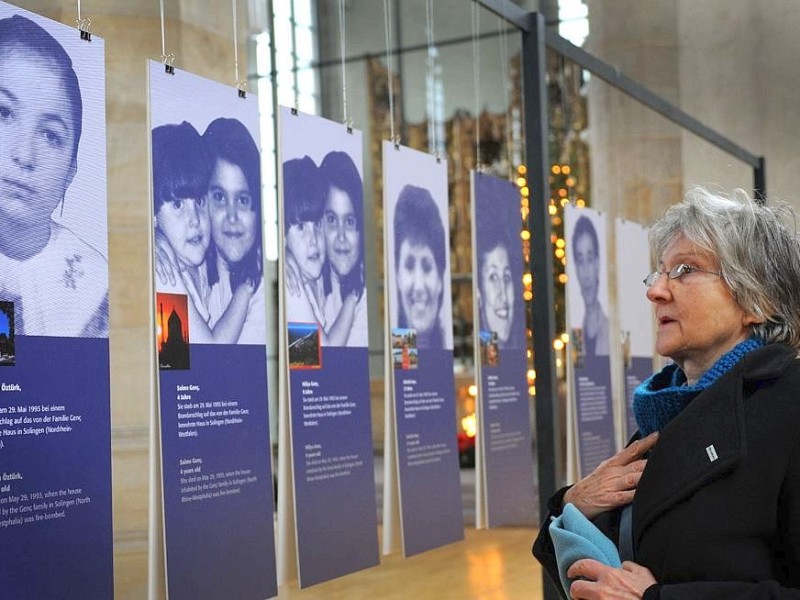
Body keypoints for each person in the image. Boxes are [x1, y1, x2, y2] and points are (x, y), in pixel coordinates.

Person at [533, 187, 800, 599]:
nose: (655, 290)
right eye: (659, 272)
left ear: (756, 301)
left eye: (684, 270)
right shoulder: (669, 410)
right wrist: (575, 505)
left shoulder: (789, 405)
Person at [0, 14, 107, 337]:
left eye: (50, 135)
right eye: (4, 113)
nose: (24, 155)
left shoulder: (94, 285)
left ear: (70, 172)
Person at [152, 121, 250, 344]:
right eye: (177, 205)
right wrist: (246, 287)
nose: (194, 219)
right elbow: (210, 352)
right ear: (153, 215)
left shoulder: (205, 259)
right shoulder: (163, 274)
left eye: (199, 201)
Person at [202, 117, 265, 344]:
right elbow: (173, 360)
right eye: (219, 197)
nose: (232, 216)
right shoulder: (182, 269)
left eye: (243, 200)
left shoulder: (268, 286)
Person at [283, 156, 356, 346]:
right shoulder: (291, 287)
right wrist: (353, 296)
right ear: (282, 237)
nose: (313, 239)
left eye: (317, 224)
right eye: (300, 227)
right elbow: (324, 354)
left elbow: (306, 360)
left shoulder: (318, 279)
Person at [319, 150, 367, 347]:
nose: (341, 236)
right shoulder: (303, 287)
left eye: (349, 221)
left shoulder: (365, 295)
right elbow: (304, 360)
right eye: (331, 220)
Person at [393, 185, 448, 349]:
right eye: (409, 266)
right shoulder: (398, 358)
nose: (418, 286)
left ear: (440, 279)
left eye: (427, 267)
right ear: (397, 276)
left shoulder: (446, 349)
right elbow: (407, 373)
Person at [475, 205, 524, 350]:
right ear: (478, 292)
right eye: (493, 277)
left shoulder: (515, 356)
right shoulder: (487, 357)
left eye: (507, 277)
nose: (503, 293)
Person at [572, 215, 609, 357]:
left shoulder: (609, 329)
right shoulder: (576, 330)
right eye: (580, 261)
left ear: (598, 263)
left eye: (590, 259)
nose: (586, 273)